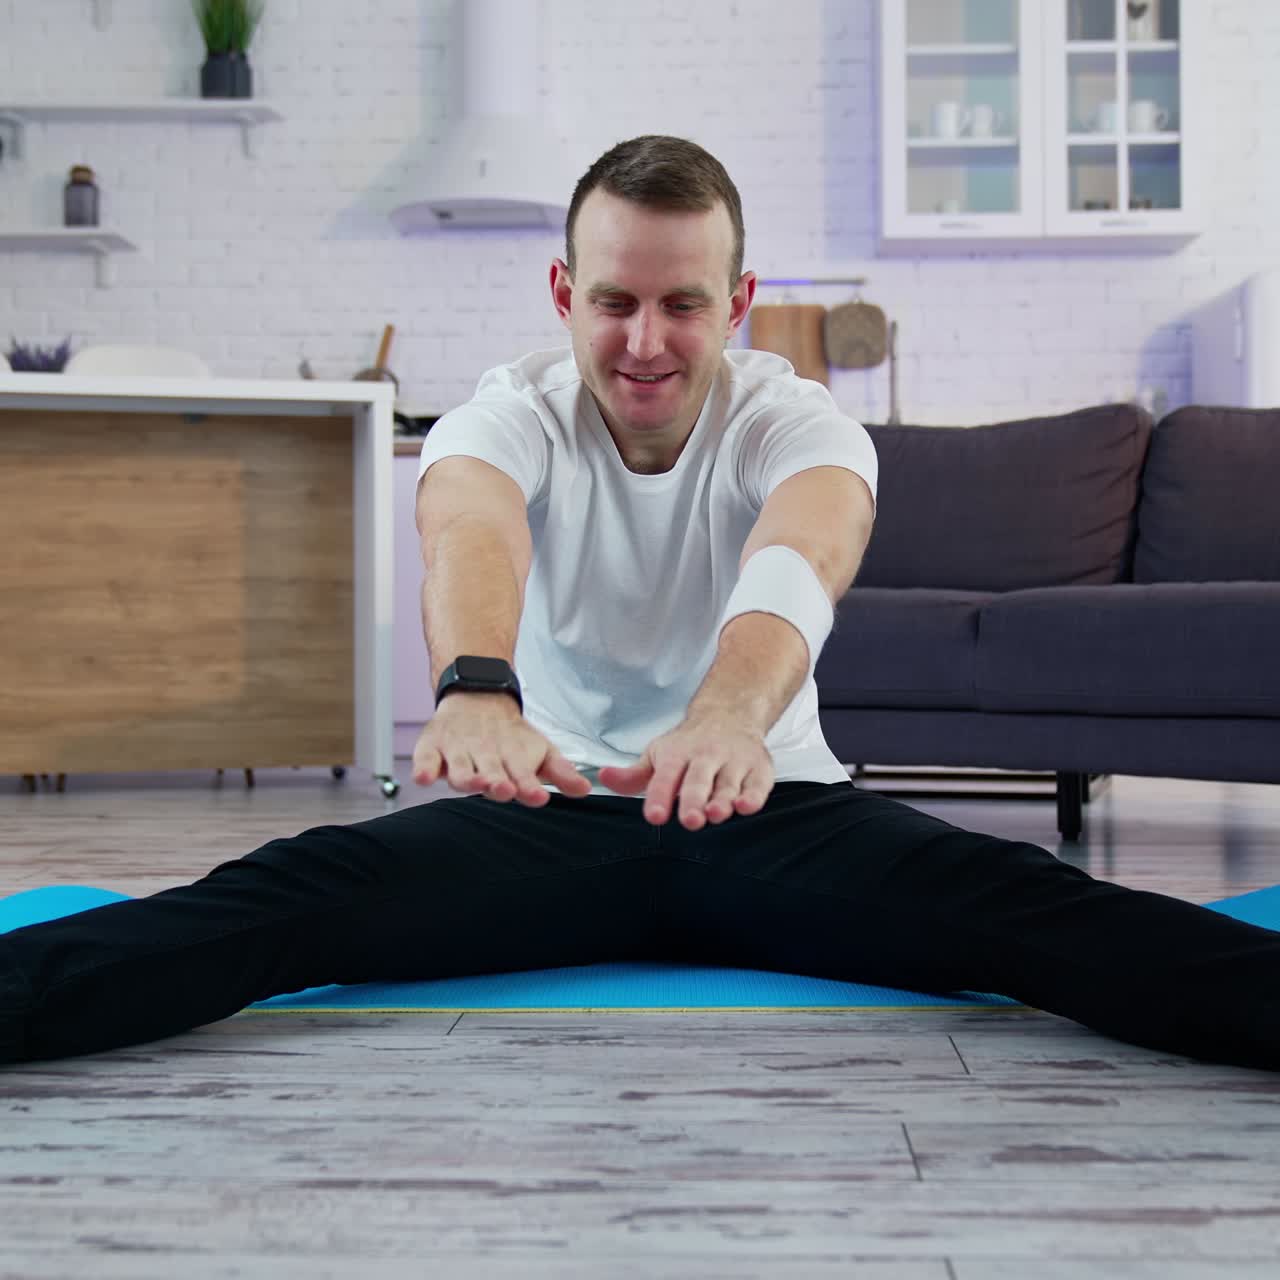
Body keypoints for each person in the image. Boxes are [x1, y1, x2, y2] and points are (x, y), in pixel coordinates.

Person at [1, 134, 1277, 1071]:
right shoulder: (511, 409)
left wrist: (725, 718)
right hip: (545, 813)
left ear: (738, 302)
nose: (646, 340)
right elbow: (470, 524)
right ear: (565, 294)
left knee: (1032, 910)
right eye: (614, 301)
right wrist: (477, 687)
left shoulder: (794, 420)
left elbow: (805, 549)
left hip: (772, 811)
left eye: (682, 304)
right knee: (281, 897)